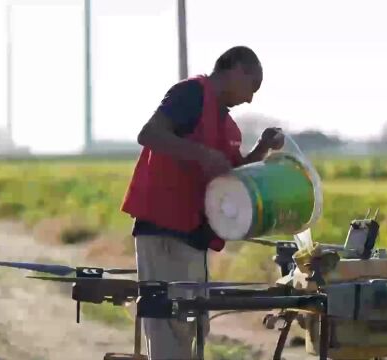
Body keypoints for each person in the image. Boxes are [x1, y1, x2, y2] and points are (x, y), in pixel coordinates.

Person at [120, 46, 284, 359]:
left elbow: (231, 178)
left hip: (195, 237)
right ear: (236, 69)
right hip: (164, 230)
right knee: (168, 323)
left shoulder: (228, 127)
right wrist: (201, 154)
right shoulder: (190, 95)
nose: (250, 99)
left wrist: (262, 148)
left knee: (193, 324)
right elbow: (149, 134)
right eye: (252, 87)